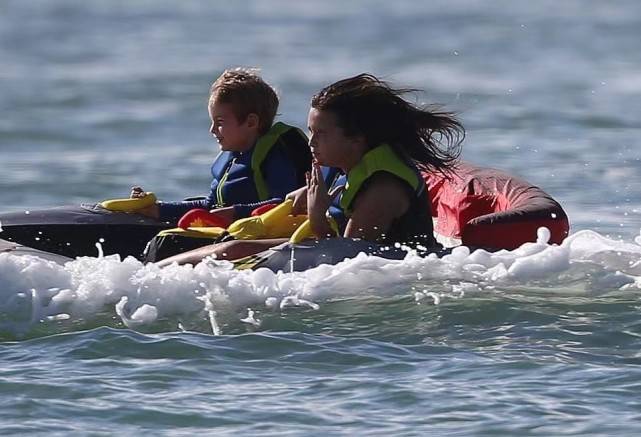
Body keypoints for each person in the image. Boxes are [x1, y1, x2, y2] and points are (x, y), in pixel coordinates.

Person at [156, 73, 465, 267]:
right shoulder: (348, 166)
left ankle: (150, 282)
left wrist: (317, 216)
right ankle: (151, 277)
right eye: (310, 131)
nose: (311, 143)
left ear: (357, 138)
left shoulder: (382, 188)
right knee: (234, 246)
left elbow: (350, 255)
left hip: (399, 270)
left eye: (321, 134)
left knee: (235, 250)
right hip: (346, 249)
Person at [131, 68, 312, 224]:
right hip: (228, 230)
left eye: (219, 122)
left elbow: (285, 203)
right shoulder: (231, 158)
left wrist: (236, 212)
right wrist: (157, 209)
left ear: (251, 122)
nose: (212, 130)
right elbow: (210, 206)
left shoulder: (275, 156)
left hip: (262, 234)